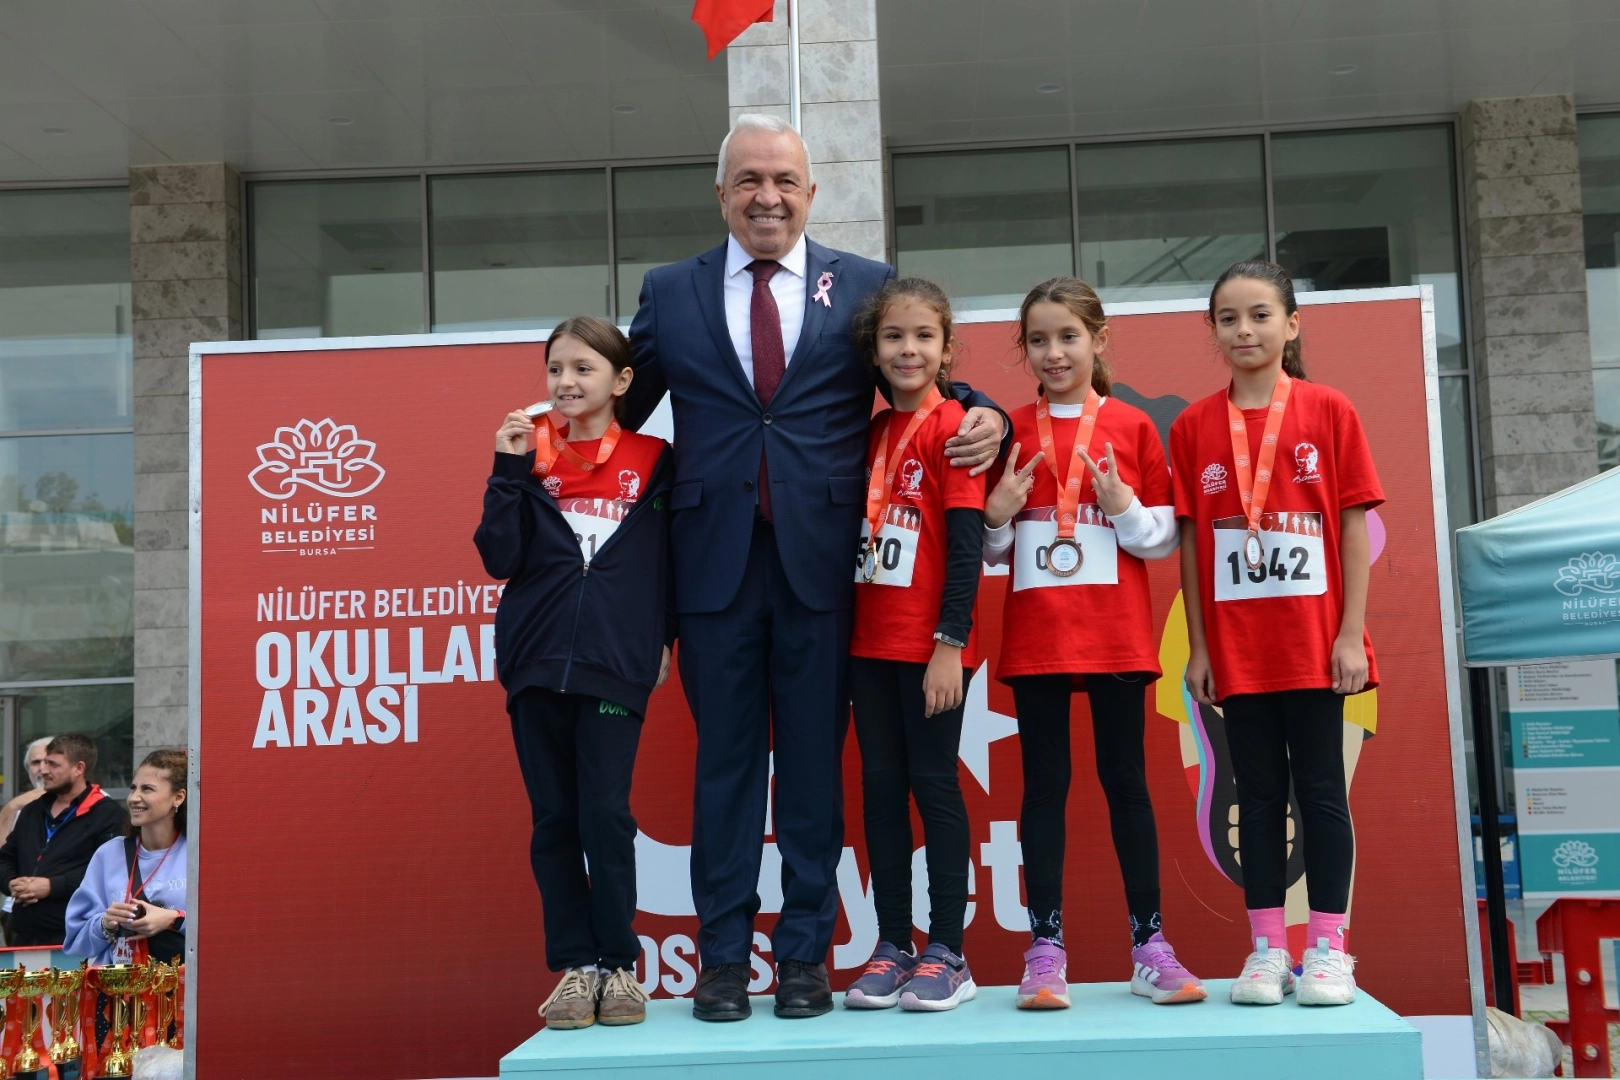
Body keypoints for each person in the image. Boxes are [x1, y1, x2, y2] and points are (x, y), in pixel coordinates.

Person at [625, 113, 1007, 1021]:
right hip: (711, 571)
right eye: (749, 180)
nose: (768, 197)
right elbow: (622, 406)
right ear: (721, 193)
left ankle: (802, 956)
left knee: (810, 768)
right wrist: (545, 445)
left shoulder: (864, 284)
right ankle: (724, 961)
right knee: (723, 769)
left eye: (784, 181)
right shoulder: (670, 291)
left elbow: (921, 375)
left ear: (811, 192)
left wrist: (986, 409)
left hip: (829, 571)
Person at [982, 277, 1205, 1009]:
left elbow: (1162, 539)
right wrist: (998, 515)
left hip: (1115, 636)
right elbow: (990, 553)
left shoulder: (1133, 427)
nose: (1054, 352)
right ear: (1024, 349)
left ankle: (1150, 945)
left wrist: (1124, 506)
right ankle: (1045, 949)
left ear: (1098, 341)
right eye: (1038, 340)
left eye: (1068, 337)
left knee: (1126, 784)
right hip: (1039, 636)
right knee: (1044, 788)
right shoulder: (1009, 431)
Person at [1172, 261, 1383, 1007]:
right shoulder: (1194, 426)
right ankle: (1267, 949)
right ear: (1213, 330)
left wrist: (1351, 634)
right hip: (1238, 651)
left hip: (1315, 645)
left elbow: (1351, 529)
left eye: (1260, 315)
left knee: (1322, 793)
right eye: (1228, 318)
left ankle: (1329, 949)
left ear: (1291, 324)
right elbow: (1194, 546)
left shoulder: (1328, 410)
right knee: (1257, 797)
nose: (1245, 330)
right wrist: (1200, 647)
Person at [475, 315, 672, 1030]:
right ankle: (576, 968)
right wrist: (506, 470)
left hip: (613, 665)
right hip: (535, 664)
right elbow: (499, 556)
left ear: (622, 380)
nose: (566, 382)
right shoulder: (529, 455)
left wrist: (664, 637)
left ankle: (619, 966)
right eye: (556, 368)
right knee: (555, 820)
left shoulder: (656, 459)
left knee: (606, 817)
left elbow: (672, 560)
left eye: (584, 368)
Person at [840, 280, 985, 1013]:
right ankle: (893, 942)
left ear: (947, 349)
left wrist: (949, 642)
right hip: (867, 647)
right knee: (880, 790)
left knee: (934, 785)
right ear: (874, 351)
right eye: (894, 337)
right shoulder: (869, 434)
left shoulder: (954, 427)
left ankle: (948, 951)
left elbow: (965, 549)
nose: (908, 349)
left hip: (930, 649)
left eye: (924, 336)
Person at [63, 748, 189, 966]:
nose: (134, 798)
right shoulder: (109, 854)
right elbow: (75, 940)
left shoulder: (199, 854)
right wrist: (106, 923)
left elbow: (226, 928)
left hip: (180, 984)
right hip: (120, 983)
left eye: (147, 789)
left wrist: (174, 919)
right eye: (133, 788)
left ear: (178, 797)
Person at [0, 734, 124, 946]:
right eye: (42, 763)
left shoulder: (107, 814)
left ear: (79, 768)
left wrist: (52, 886)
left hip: (76, 940)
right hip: (25, 938)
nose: (44, 770)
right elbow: (5, 858)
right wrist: (12, 883)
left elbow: (109, 872)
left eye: (53, 764)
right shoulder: (32, 811)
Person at [0, 738, 53, 844]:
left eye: (50, 762)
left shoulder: (84, 804)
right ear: (27, 769)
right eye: (36, 762)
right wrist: (10, 808)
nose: (43, 769)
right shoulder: (17, 810)